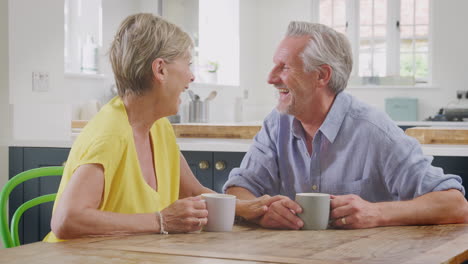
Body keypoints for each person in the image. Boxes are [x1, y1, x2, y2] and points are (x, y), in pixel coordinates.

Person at [45, 13, 273, 242]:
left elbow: (193, 192)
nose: (192, 76)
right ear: (160, 70)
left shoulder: (159, 127)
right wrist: (161, 221)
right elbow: (66, 220)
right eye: (188, 63)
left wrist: (249, 209)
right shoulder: (111, 135)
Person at [224, 21, 468, 230]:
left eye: (285, 67)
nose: (270, 78)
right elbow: (238, 191)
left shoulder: (374, 130)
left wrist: (376, 213)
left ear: (322, 76)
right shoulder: (276, 125)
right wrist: (260, 210)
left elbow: (456, 205)